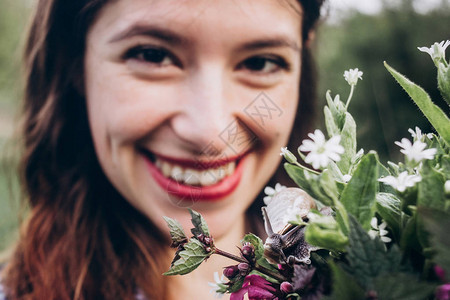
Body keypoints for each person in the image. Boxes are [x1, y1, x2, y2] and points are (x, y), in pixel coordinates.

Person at [0, 0, 325, 299]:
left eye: (259, 62)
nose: (209, 132)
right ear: (75, 63)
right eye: (152, 55)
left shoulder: (356, 272)